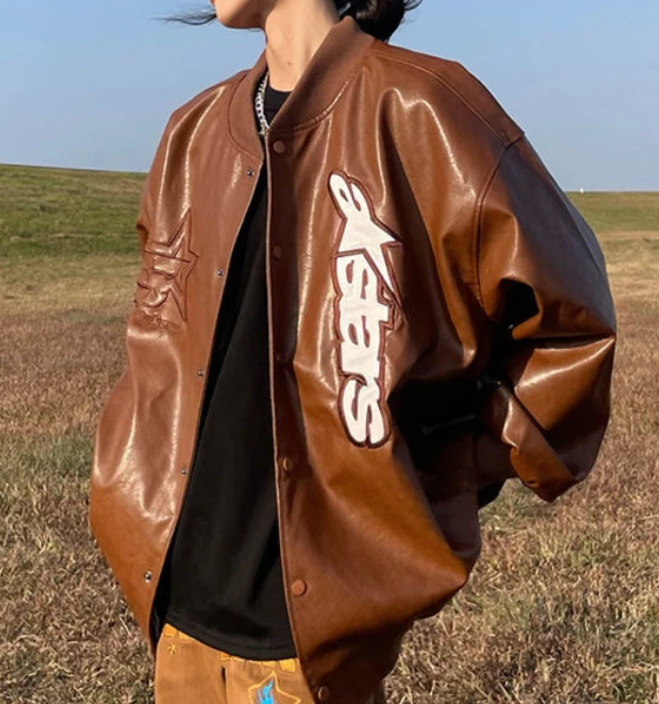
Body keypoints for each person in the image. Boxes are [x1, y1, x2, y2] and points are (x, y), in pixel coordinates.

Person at [89, 1, 617, 703]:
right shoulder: (194, 132)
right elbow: (157, 345)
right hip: (176, 613)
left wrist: (443, 469)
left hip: (306, 643)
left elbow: (573, 324)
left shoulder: (424, 109)